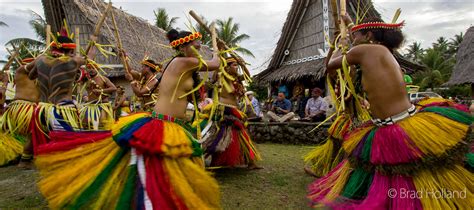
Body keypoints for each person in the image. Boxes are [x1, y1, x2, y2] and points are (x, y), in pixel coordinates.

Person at [33, 28, 222, 208]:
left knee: (166, 168)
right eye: (196, 47)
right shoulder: (182, 62)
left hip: (174, 124)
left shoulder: (185, 66)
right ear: (182, 47)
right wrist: (217, 51)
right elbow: (215, 64)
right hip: (164, 123)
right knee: (155, 170)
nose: (198, 50)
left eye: (199, 47)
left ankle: (167, 199)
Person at [307, 15, 473, 209]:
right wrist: (351, 25)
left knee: (402, 174)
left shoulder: (364, 50)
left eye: (355, 36)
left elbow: (330, 66)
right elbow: (358, 48)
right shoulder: (383, 52)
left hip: (395, 126)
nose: (353, 40)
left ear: (369, 35)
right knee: (416, 173)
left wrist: (338, 44)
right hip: (404, 120)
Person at [26, 31, 97, 150]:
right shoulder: (73, 61)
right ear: (70, 51)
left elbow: (31, 75)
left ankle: (25, 161)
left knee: (37, 140)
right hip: (62, 110)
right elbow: (90, 58)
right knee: (69, 145)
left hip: (42, 110)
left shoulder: (40, 60)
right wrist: (93, 41)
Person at [200, 57, 262, 169]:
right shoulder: (221, 76)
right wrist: (219, 54)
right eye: (234, 65)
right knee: (219, 135)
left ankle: (250, 162)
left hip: (235, 109)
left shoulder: (237, 79)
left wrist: (242, 64)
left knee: (241, 135)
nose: (236, 67)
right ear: (227, 67)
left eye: (236, 65)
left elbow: (248, 76)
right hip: (224, 109)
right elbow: (215, 74)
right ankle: (211, 159)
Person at [0, 57, 40, 168]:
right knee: (32, 133)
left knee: (28, 134)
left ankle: (25, 157)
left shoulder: (38, 78)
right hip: (24, 108)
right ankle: (24, 160)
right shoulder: (21, 71)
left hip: (26, 108)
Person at [80, 63, 117, 130]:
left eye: (93, 68)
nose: (91, 70)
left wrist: (101, 91)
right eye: (89, 68)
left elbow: (114, 88)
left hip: (101, 105)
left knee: (102, 125)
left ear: (97, 69)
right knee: (86, 125)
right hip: (90, 105)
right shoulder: (86, 80)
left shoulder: (103, 78)